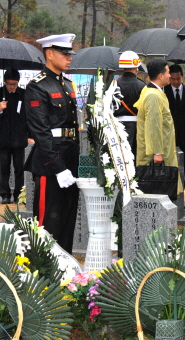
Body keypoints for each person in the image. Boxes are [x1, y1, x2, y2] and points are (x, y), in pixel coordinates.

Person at [24, 33, 79, 253]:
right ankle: (44, 273)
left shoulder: (66, 83)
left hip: (70, 158)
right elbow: (41, 130)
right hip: (50, 164)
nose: (69, 58)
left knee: (67, 220)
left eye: (70, 54)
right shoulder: (37, 86)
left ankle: (65, 272)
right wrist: (58, 167)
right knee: (48, 222)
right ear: (49, 53)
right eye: (64, 53)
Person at [134, 59, 183, 194]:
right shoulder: (153, 96)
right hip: (156, 155)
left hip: (160, 150)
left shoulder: (152, 91)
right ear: (161, 76)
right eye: (168, 72)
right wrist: (157, 152)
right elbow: (153, 125)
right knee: (157, 191)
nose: (169, 75)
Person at [0, 68, 30, 204]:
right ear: (4, 82)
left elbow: (29, 116)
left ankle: (19, 194)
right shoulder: (0, 93)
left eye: (15, 84)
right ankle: (5, 194)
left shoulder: (23, 94)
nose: (12, 87)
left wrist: (29, 135)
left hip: (19, 138)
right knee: (3, 168)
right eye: (9, 84)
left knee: (19, 168)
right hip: (2, 139)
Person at [164, 64, 185, 168]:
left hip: (184, 133)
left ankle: (181, 183)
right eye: (173, 79)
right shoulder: (164, 91)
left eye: (178, 78)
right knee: (169, 162)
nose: (176, 82)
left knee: (182, 163)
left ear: (182, 76)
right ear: (169, 77)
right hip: (169, 133)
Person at [114, 50, 146, 158]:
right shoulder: (142, 85)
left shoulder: (113, 85)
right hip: (136, 127)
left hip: (116, 127)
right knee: (134, 158)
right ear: (136, 66)